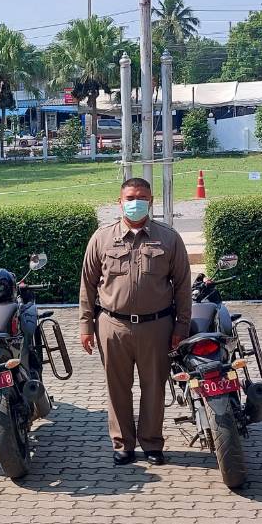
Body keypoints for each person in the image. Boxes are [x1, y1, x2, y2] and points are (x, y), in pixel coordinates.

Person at [78, 177, 191, 465]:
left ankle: (152, 442)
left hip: (157, 326)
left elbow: (182, 286)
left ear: (151, 201)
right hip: (112, 325)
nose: (135, 202)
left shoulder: (168, 238)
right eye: (130, 198)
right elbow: (87, 285)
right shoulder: (102, 238)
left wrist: (181, 326)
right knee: (117, 388)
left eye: (141, 197)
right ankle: (123, 444)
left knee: (154, 387)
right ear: (120, 202)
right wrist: (85, 325)